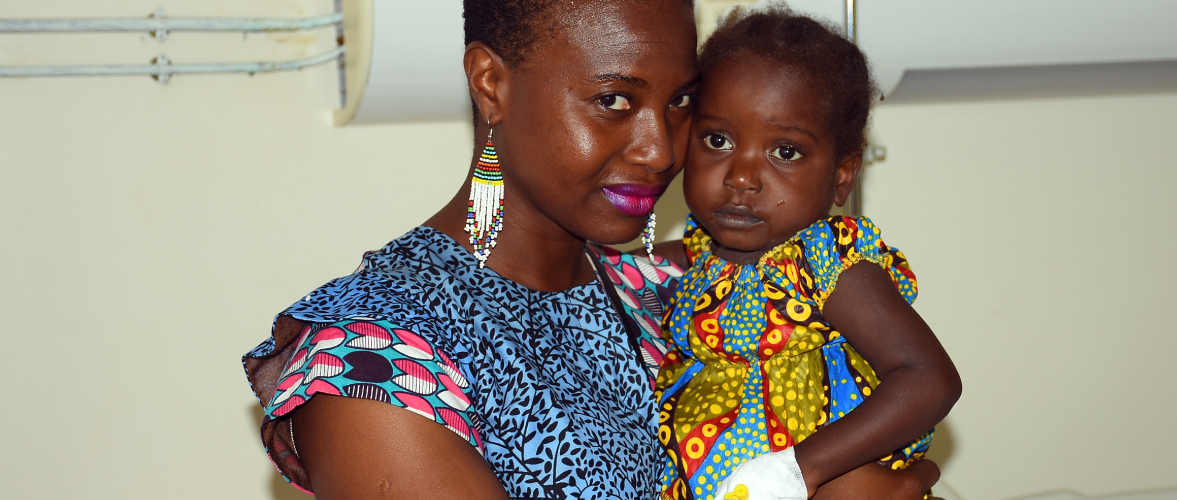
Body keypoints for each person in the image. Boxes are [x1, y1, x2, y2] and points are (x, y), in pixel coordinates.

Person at [241, 0, 944, 499]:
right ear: (492, 83)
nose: (660, 149)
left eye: (679, 103)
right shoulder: (378, 362)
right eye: (614, 100)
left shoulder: (677, 288)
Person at [647, 6, 963, 500]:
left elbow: (930, 379)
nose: (742, 178)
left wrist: (800, 470)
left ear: (841, 175)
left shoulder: (828, 263)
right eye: (718, 140)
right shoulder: (697, 254)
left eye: (785, 152)